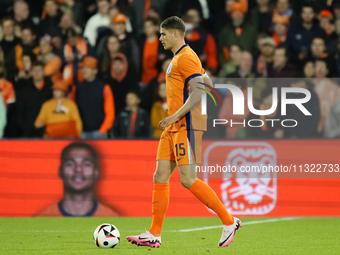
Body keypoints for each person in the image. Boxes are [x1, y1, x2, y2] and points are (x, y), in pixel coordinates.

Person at [126, 16, 241, 248]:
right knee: (160, 176)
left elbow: (199, 93)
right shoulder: (181, 58)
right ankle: (154, 234)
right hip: (173, 126)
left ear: (176, 34)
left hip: (184, 125)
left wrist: (175, 115)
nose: (160, 38)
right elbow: (205, 82)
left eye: (163, 34)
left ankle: (229, 221)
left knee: (188, 180)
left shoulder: (186, 57)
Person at [36, 142, 120, 216]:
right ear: (60, 171)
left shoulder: (111, 220)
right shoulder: (43, 219)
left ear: (96, 172)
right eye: (70, 164)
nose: (78, 169)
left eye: (86, 164)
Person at [72, 56, 115, 139]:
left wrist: (102, 130)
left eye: (87, 68)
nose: (84, 70)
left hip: (98, 133)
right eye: (83, 68)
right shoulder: (77, 88)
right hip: (81, 133)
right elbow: (72, 110)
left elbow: (110, 112)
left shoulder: (104, 87)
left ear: (95, 71)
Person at [16, 61, 53, 137]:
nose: (36, 73)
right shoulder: (24, 90)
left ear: (43, 72)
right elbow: (19, 111)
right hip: (27, 130)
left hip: (46, 131)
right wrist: (23, 126)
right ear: (31, 73)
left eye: (39, 70)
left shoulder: (51, 90)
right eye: (34, 71)